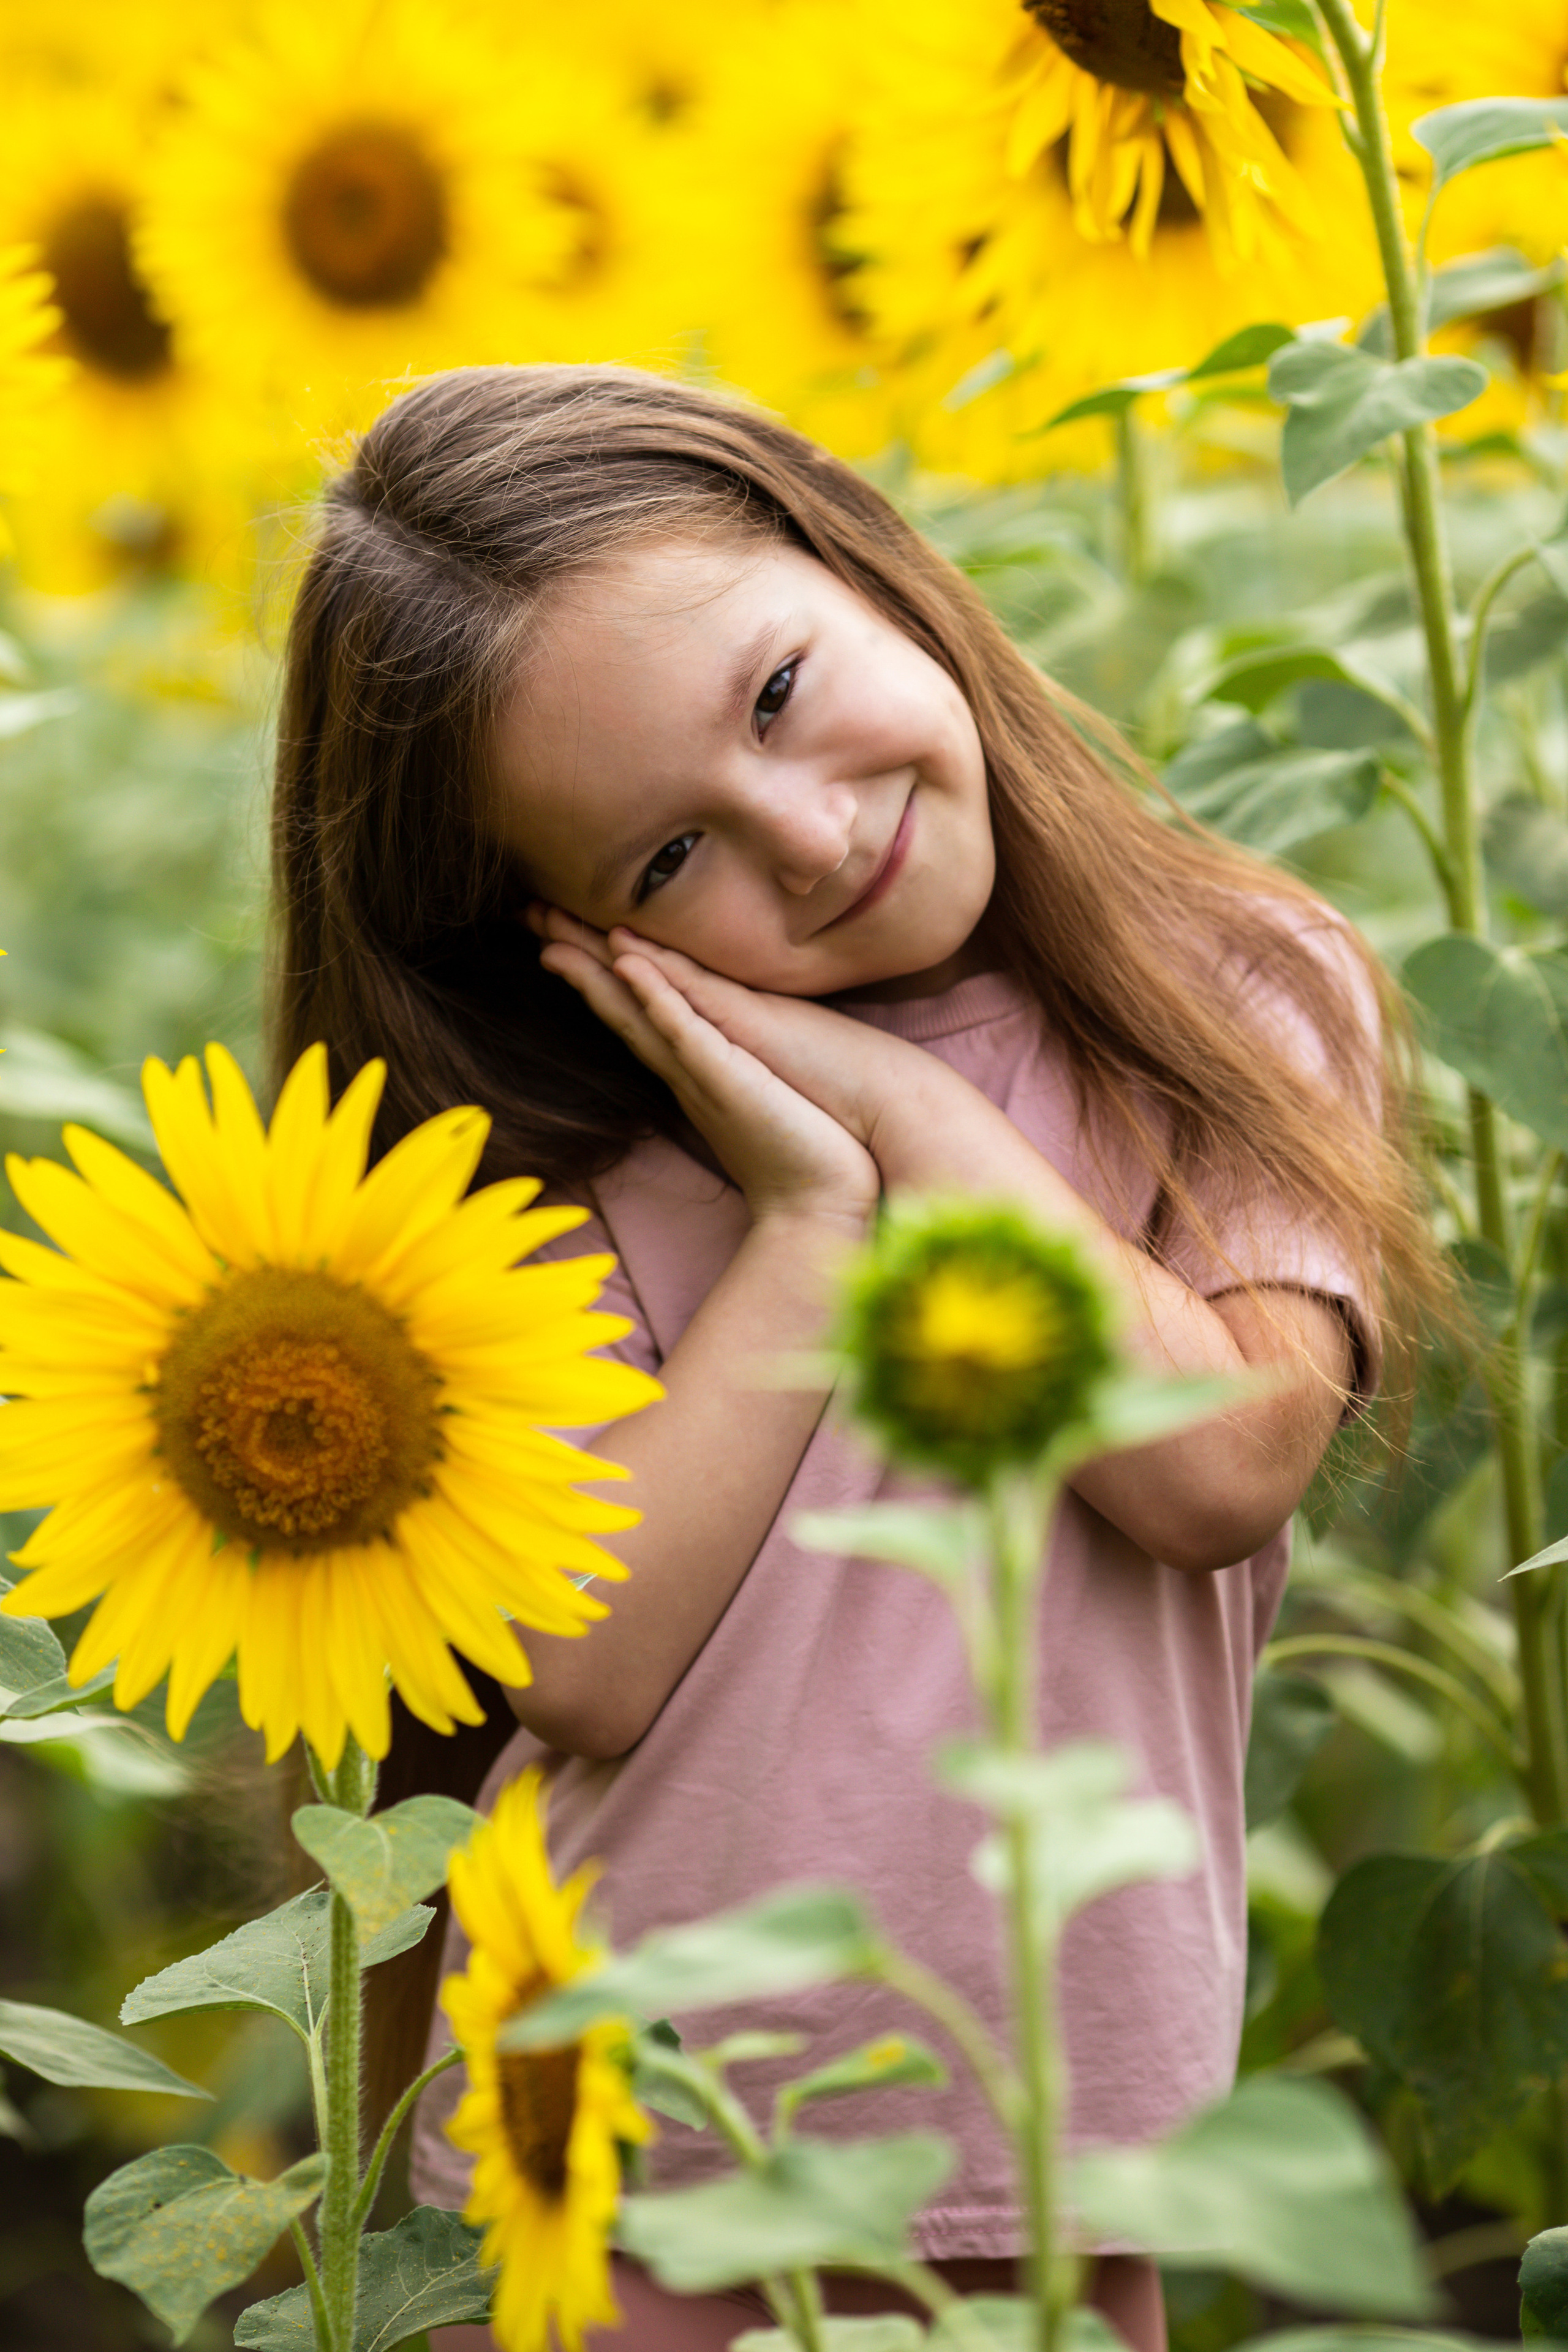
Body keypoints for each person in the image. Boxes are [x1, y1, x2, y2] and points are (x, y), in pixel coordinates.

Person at [269, 364, 1446, 2352]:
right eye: (666, 863)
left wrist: (910, 1119)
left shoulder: (1241, 1001)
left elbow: (1215, 1459)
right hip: (610, 2176)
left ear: (863, 558)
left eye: (779, 696)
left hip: (1062, 2162)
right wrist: (808, 1222)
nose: (807, 840)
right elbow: (591, 1659)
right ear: (558, 929)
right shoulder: (552, 1163)